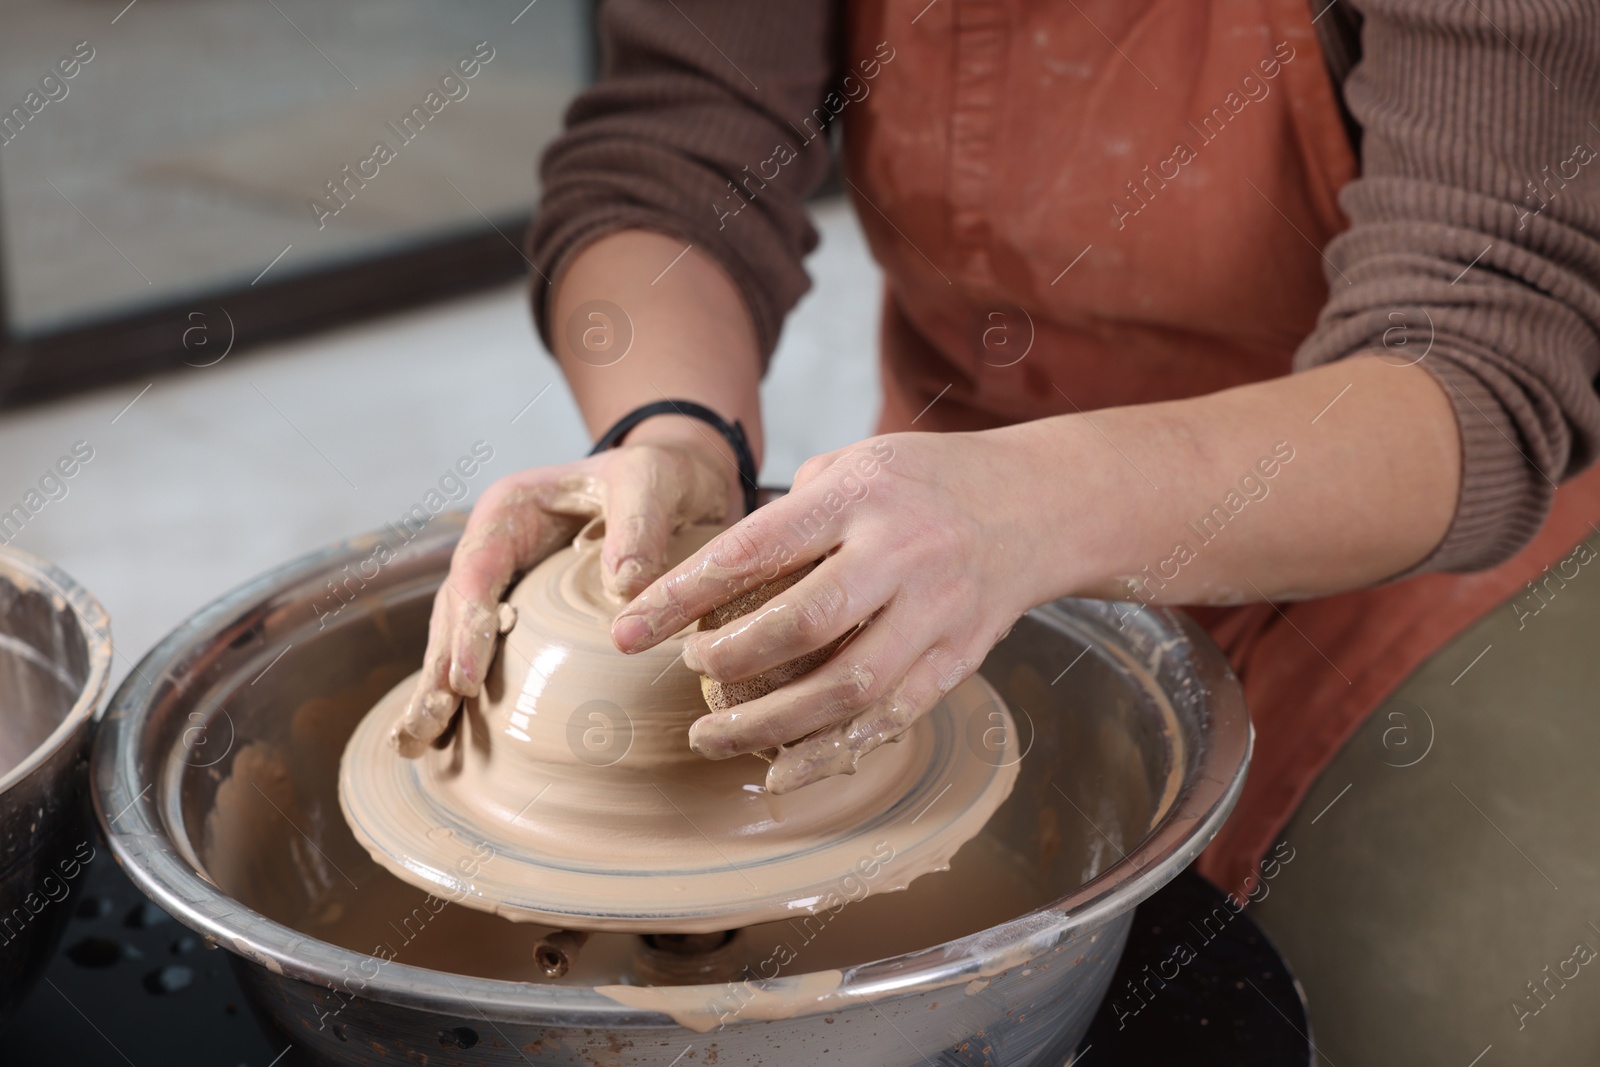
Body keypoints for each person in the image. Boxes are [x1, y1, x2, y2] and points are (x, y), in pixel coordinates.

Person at [396, 2, 1600, 1061]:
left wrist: (1025, 508)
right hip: (951, 494)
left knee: (1431, 998)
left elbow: (1478, 352)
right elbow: (671, 148)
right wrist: (668, 435)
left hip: (1415, 522)